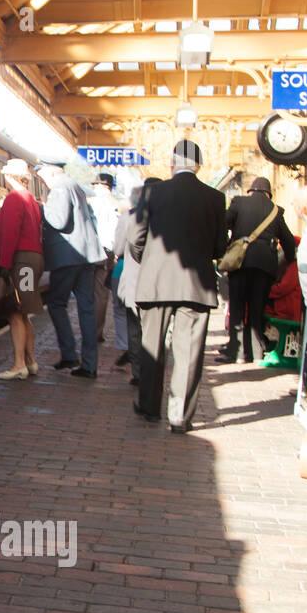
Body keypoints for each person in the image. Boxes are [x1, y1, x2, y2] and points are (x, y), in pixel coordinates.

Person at [128, 140, 226, 433]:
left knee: (152, 348)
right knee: (189, 353)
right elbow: (220, 247)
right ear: (199, 165)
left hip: (155, 283)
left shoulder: (152, 192)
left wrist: (149, 262)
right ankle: (179, 416)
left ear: (171, 164)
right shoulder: (215, 198)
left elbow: (135, 238)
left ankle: (149, 407)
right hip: (197, 286)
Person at [37, 160, 106, 379]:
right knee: (86, 309)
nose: (43, 181)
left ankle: (68, 353)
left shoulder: (60, 188)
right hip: (85, 257)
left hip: (67, 258)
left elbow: (58, 221)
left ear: (50, 172)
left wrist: (40, 207)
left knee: (57, 304)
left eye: (43, 176)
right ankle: (89, 364)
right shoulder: (74, 184)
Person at [218, 177, 296, 364]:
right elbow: (289, 242)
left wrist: (226, 247)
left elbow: (223, 224)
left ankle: (235, 351)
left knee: (237, 305)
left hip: (241, 261)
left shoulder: (239, 202)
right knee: (256, 307)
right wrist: (288, 261)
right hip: (265, 265)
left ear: (251, 191)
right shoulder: (276, 211)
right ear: (269, 194)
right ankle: (255, 351)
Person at [0, 157, 43, 380]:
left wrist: (3, 264)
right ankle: (30, 361)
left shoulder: (13, 198)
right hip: (31, 260)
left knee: (14, 312)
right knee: (23, 311)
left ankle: (18, 364)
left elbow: (11, 233)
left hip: (20, 260)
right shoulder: (30, 198)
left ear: (10, 176)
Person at [113, 179, 160, 386]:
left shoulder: (129, 217)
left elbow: (118, 249)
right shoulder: (166, 219)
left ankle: (138, 371)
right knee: (154, 329)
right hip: (158, 282)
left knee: (134, 328)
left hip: (133, 278)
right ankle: (152, 371)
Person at [88, 173, 120, 347]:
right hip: (109, 251)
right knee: (101, 294)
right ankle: (97, 332)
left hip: (94, 251)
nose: (94, 189)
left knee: (91, 293)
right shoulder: (117, 205)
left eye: (96, 186)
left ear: (103, 187)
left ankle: (91, 332)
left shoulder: (94, 203)